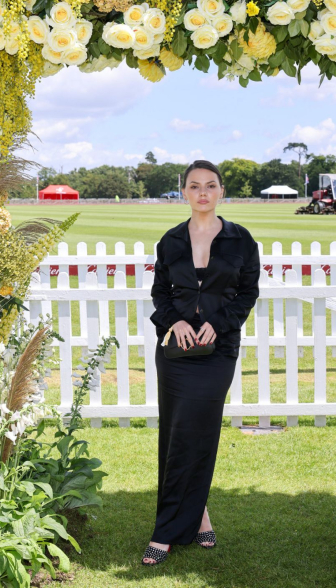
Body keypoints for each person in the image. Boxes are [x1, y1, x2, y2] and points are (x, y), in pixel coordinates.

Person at [141, 159, 261, 566]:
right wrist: (174, 321)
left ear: (221, 192)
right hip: (175, 352)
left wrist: (217, 324)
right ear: (184, 193)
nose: (203, 192)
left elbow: (247, 294)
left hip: (218, 351)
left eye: (211, 185)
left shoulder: (241, 240)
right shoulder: (171, 240)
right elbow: (160, 293)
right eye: (195, 186)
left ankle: (166, 532)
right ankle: (198, 516)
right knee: (175, 435)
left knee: (200, 433)